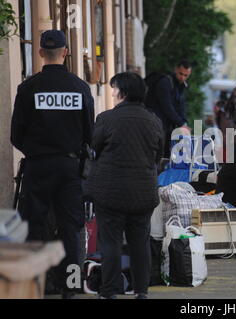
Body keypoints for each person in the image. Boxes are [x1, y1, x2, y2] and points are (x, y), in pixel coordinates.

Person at [10, 30, 95, 298]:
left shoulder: (28, 88)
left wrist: (36, 152)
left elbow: (16, 135)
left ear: (40, 53)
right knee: (70, 229)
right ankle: (69, 288)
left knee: (34, 228)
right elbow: (89, 133)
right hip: (70, 168)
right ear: (65, 52)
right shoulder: (80, 88)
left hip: (37, 167)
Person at [85, 72, 164, 299]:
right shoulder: (154, 121)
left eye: (113, 89)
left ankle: (109, 292)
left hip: (110, 193)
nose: (111, 93)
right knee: (140, 242)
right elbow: (158, 154)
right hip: (143, 193)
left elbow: (95, 146)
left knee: (110, 242)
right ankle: (142, 291)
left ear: (123, 92)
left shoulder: (106, 119)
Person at [147, 60, 192, 158]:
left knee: (166, 154)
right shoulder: (165, 82)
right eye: (181, 73)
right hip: (157, 123)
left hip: (168, 126)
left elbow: (181, 106)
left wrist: (184, 122)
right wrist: (181, 123)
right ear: (176, 70)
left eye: (185, 75)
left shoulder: (181, 86)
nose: (182, 77)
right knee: (157, 154)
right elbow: (167, 106)